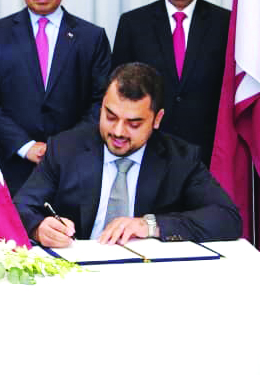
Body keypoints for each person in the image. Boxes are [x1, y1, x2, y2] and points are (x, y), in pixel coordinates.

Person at [15, 62, 242, 247]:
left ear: (157, 119)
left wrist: (150, 225)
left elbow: (227, 219)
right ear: (102, 106)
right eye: (110, 116)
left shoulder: (180, 158)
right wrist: (38, 228)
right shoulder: (66, 148)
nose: (118, 131)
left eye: (134, 123)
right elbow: (21, 207)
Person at [0, 0, 112, 196]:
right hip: (13, 166)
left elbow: (102, 102)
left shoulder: (91, 37)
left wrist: (61, 148)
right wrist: (25, 146)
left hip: (75, 167)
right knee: (13, 235)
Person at [112, 0, 229, 165]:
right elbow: (119, 95)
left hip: (208, 158)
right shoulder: (133, 24)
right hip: (147, 155)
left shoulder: (226, 24)